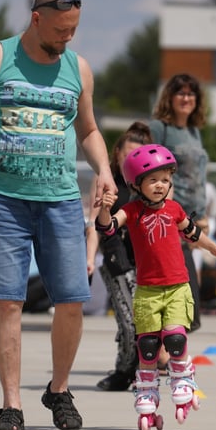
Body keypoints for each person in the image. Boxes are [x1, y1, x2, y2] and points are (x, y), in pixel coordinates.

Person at [0, 0, 116, 430]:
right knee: (9, 303)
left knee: (72, 301)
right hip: (4, 202)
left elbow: (89, 130)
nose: (67, 38)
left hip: (61, 202)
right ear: (37, 18)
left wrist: (104, 169)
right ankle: (12, 405)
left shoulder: (78, 68)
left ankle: (59, 390)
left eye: (73, 30)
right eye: (60, 30)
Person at [95, 144, 216, 430]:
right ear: (136, 184)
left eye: (166, 180)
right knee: (148, 348)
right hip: (147, 291)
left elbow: (193, 233)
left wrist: (215, 248)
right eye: (153, 180)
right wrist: (105, 208)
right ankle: (147, 398)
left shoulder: (174, 208)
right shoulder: (131, 211)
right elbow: (107, 228)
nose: (160, 185)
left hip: (178, 288)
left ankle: (183, 383)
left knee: (175, 339)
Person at [86, 121, 153, 392]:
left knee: (146, 322)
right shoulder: (106, 180)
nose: (131, 160)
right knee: (128, 320)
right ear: (117, 153)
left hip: (146, 262)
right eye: (127, 154)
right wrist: (89, 259)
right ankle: (125, 371)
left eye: (138, 155)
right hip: (117, 260)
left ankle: (140, 371)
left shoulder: (149, 182)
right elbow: (94, 224)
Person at [149, 73, 209, 332]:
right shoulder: (159, 129)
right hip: (170, 217)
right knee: (178, 293)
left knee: (184, 292)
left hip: (193, 218)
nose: (186, 98)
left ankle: (169, 348)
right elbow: (148, 171)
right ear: (170, 97)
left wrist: (202, 215)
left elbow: (198, 177)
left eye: (191, 93)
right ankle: (160, 348)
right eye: (181, 93)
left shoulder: (194, 132)